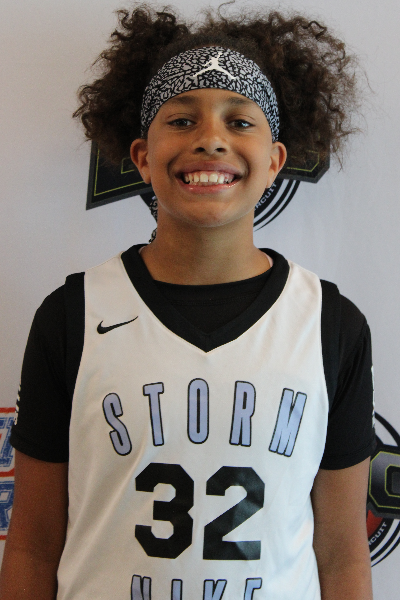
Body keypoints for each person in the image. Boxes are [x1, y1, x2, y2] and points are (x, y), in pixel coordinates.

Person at [0, 5, 375, 600]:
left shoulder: (330, 324)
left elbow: (343, 555)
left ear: (275, 162)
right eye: (180, 119)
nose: (211, 139)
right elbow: (33, 545)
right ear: (142, 157)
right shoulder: (72, 315)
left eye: (240, 121)